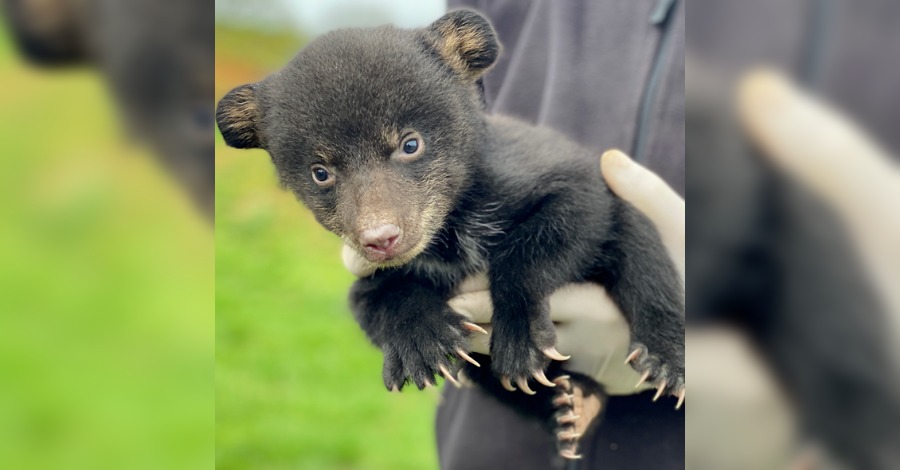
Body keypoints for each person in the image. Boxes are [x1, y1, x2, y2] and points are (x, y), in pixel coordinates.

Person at [344, 1, 686, 468]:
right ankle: (567, 403)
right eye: (325, 174)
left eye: (408, 147)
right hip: (492, 445)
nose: (375, 222)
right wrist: (409, 325)